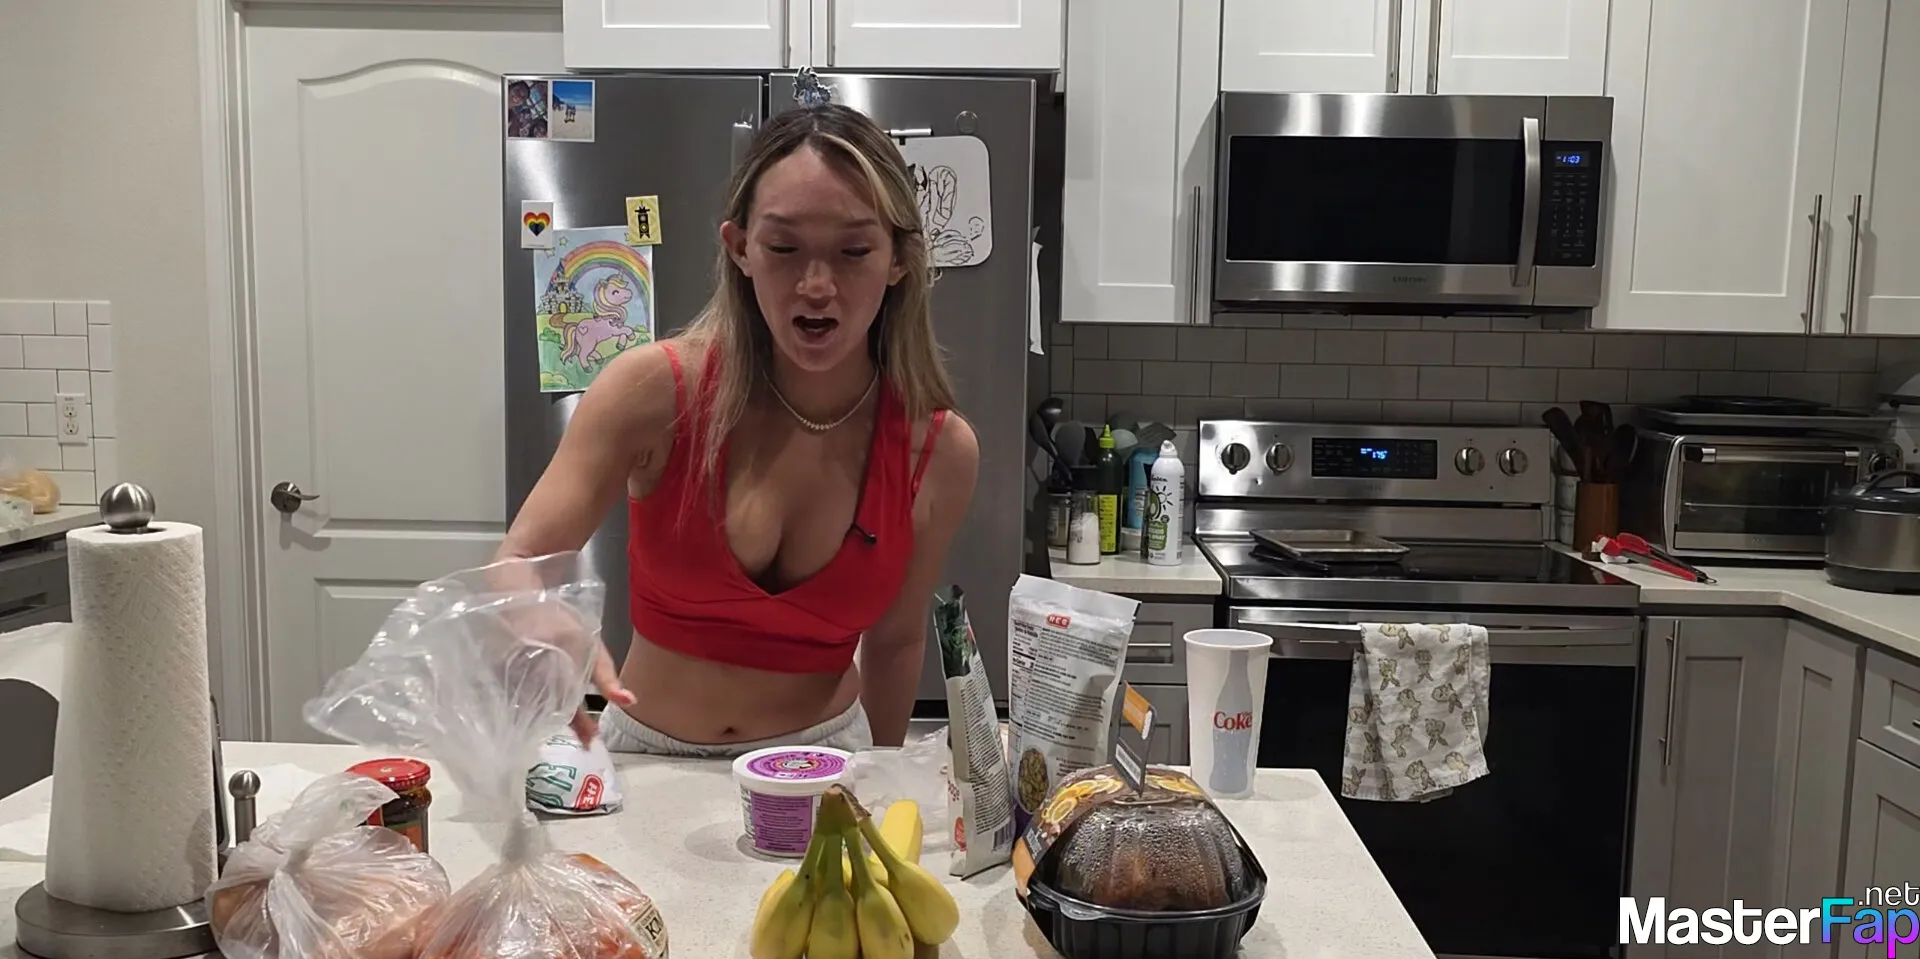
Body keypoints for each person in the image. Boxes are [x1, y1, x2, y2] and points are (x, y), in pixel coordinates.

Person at [496, 102, 980, 756]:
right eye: (783, 248)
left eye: (853, 251)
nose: (816, 285)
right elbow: (515, 563)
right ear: (740, 248)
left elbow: (896, 641)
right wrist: (538, 614)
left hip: (827, 759)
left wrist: (883, 781)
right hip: (650, 758)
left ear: (898, 259)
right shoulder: (652, 392)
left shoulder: (937, 450)